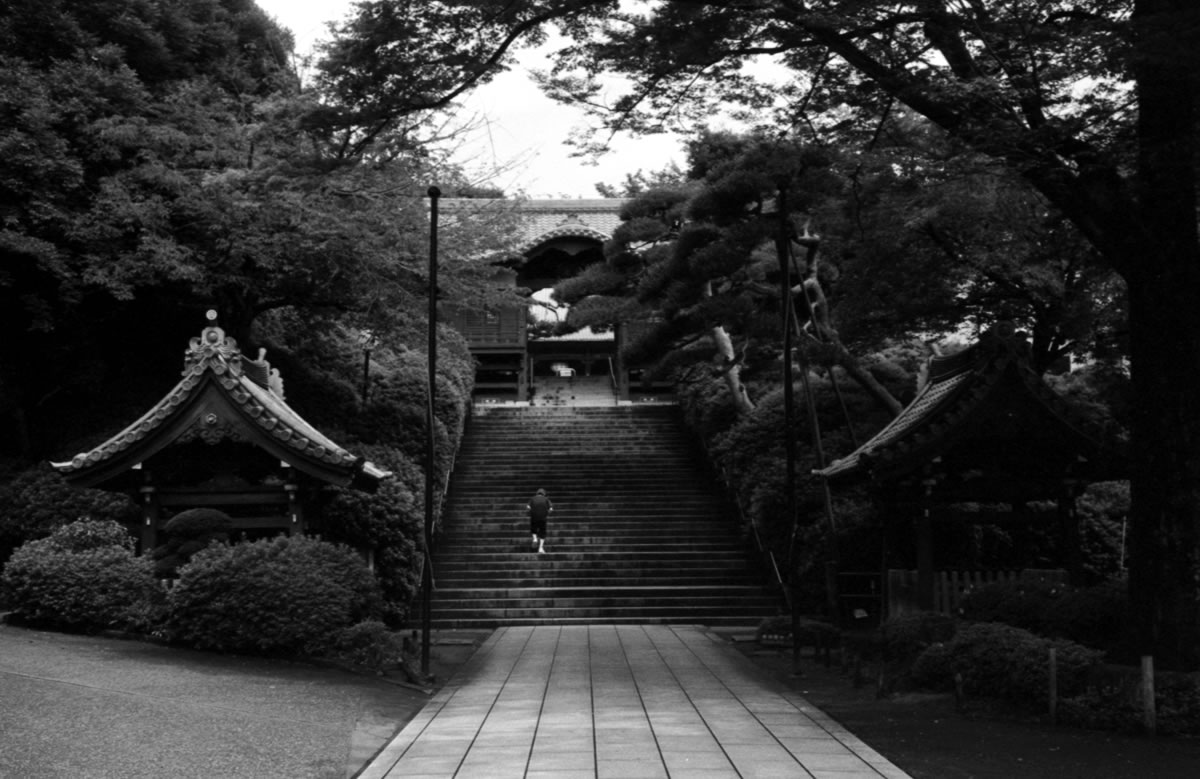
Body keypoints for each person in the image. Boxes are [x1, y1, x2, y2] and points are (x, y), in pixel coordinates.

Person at [527, 488, 552, 554]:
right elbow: (551, 509)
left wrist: (531, 512)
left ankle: (535, 539)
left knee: (533, 529)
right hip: (543, 517)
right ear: (544, 494)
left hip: (534, 516)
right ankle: (540, 548)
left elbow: (528, 507)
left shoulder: (532, 498)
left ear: (537, 493)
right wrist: (546, 513)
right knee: (542, 532)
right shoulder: (546, 499)